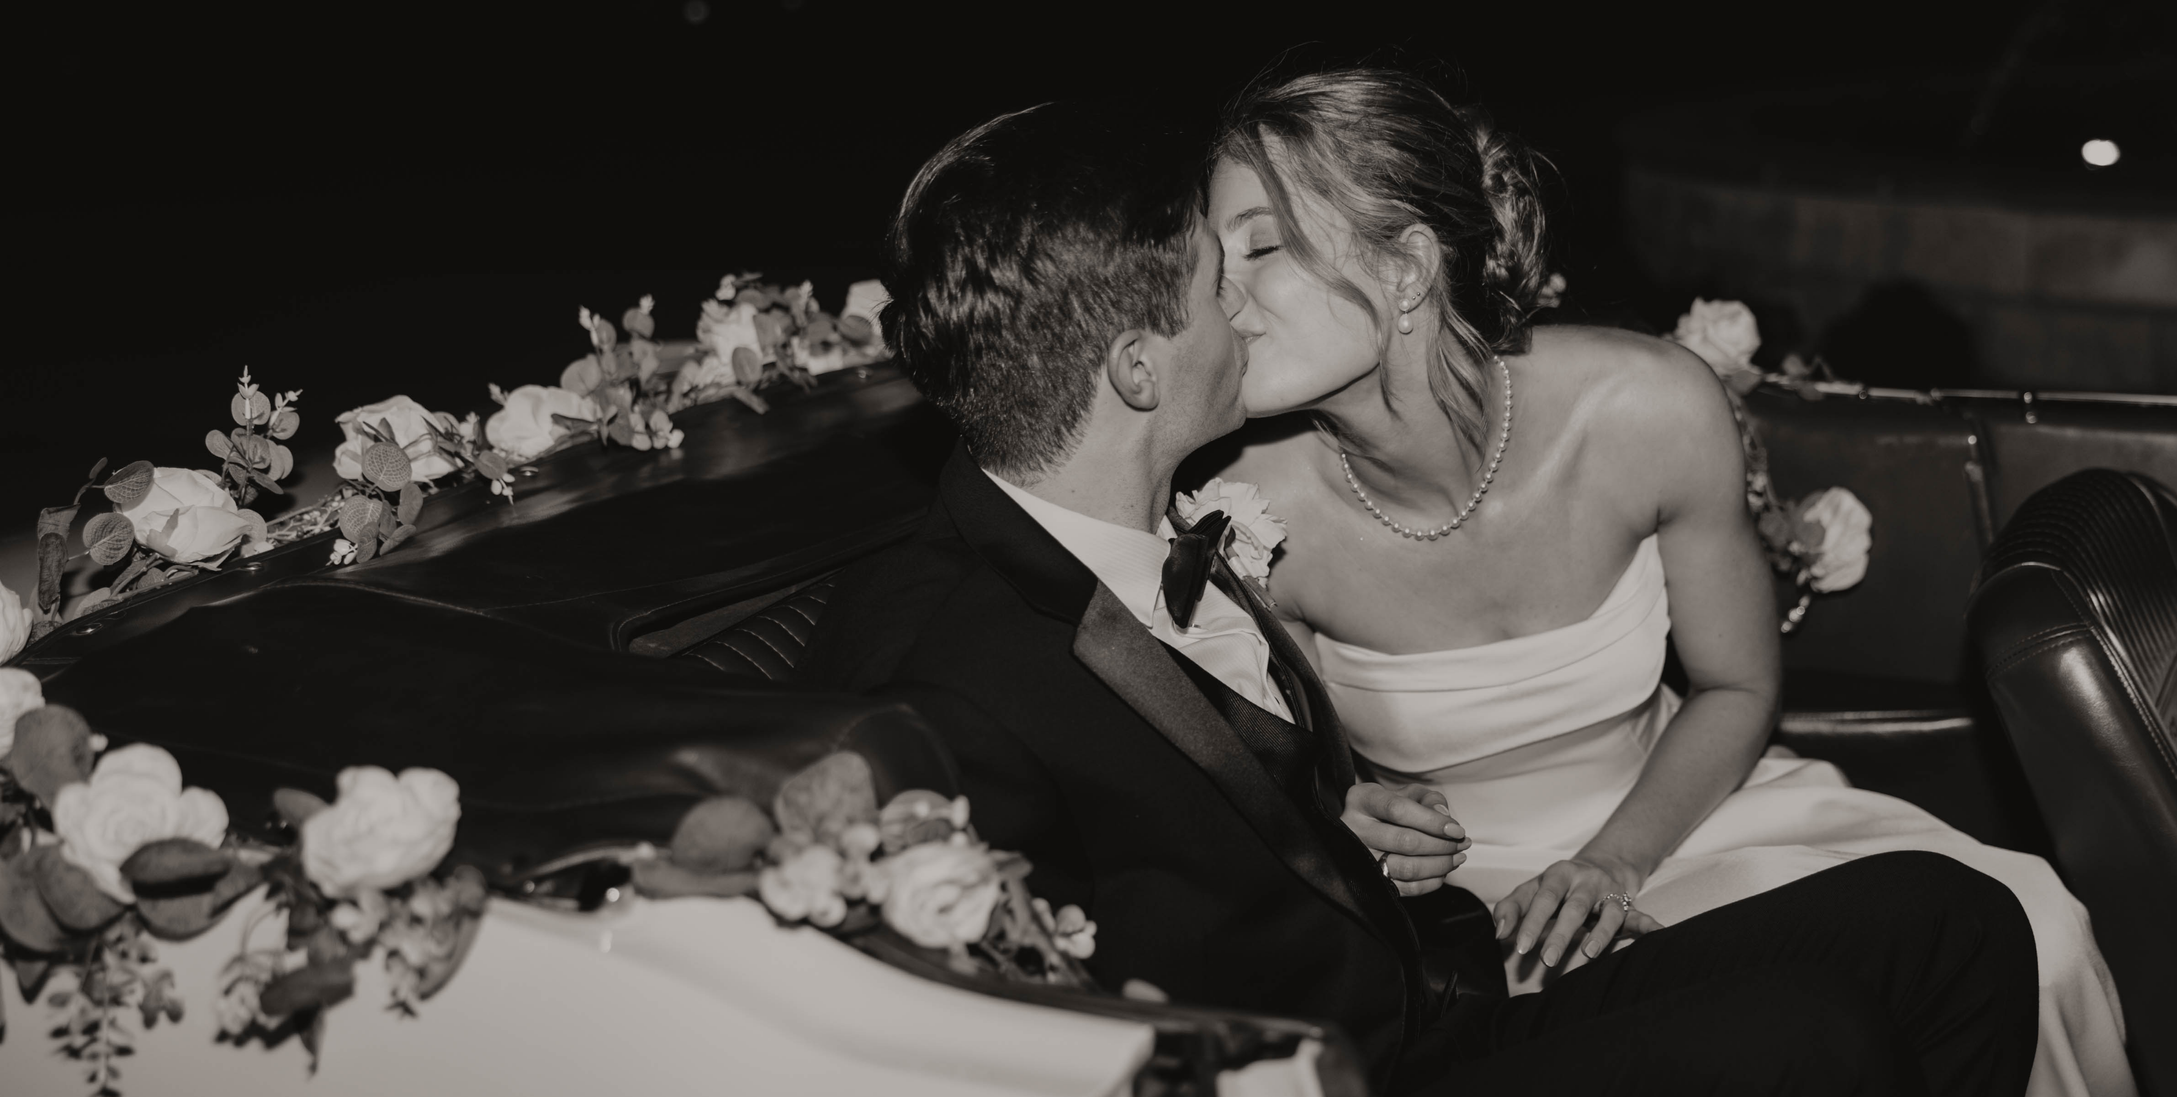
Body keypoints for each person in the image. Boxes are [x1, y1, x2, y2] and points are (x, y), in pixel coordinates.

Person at [799, 100, 2038, 1096]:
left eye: (1254, 260)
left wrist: (1343, 814)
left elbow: (1232, 793)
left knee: (1953, 923)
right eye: (1207, 283)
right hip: (1346, 1062)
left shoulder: (1170, 522)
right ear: (1136, 370)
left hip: (1432, 972)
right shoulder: (941, 669)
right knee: (1803, 1036)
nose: (1237, 306)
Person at [1195, 68, 2131, 1097]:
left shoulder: (1646, 405)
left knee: (2034, 922)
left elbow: (1736, 686)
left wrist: (1614, 861)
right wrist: (1344, 815)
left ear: (1407, 264)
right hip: (1466, 906)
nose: (1216, 297)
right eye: (1211, 253)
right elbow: (1259, 787)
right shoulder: (1241, 509)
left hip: (1685, 806)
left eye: (1261, 246)